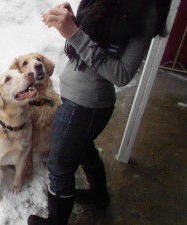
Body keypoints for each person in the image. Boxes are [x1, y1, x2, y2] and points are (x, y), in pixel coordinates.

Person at [27, 0, 172, 224]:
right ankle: (99, 195)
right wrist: (72, 22)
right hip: (77, 99)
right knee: (84, 149)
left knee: (59, 166)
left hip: (85, 105)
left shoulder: (147, 8)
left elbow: (121, 74)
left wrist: (74, 33)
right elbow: (94, 44)